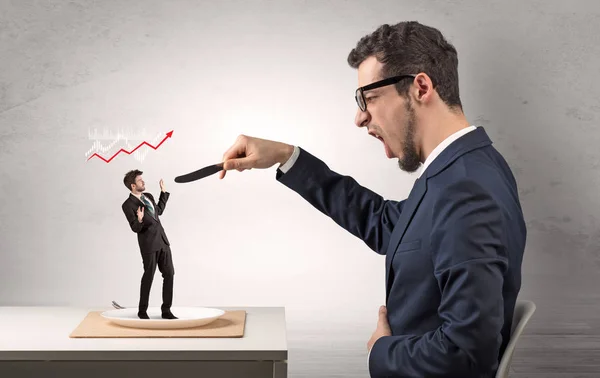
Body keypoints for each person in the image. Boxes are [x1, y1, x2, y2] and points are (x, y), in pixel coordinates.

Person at [218, 21, 526, 377]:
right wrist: (287, 156)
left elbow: (466, 355)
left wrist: (381, 352)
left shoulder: (465, 189)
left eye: (369, 98)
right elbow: (388, 225)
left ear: (420, 87)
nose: (360, 117)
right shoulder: (462, 169)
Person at [121, 169, 177, 320]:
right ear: (133, 185)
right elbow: (135, 228)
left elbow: (158, 211)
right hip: (149, 245)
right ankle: (142, 311)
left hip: (163, 241)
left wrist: (163, 192)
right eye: (140, 180)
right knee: (149, 277)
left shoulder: (149, 196)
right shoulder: (127, 205)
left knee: (169, 274)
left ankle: (166, 311)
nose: (143, 182)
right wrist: (139, 220)